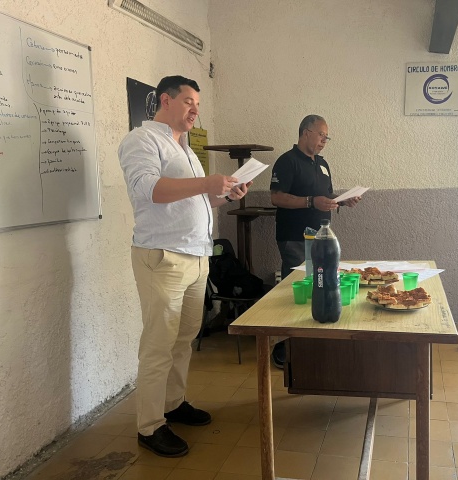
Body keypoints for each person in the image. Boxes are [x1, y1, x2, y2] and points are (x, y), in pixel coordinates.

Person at [118, 75, 252, 458]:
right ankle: (149, 425)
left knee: (184, 338)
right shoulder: (142, 140)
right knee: (159, 343)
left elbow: (197, 201)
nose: (195, 110)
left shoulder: (186, 148)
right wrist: (208, 183)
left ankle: (173, 404)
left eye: (198, 104)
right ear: (166, 100)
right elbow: (148, 189)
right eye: (189, 101)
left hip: (196, 256)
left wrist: (225, 195)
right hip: (162, 257)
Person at [269, 114, 360, 367]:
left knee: (322, 288)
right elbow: (276, 197)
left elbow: (324, 196)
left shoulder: (322, 164)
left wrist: (342, 200)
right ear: (305, 132)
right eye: (321, 135)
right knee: (298, 292)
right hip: (295, 238)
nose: (324, 141)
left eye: (327, 137)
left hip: (322, 240)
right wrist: (310, 201)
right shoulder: (287, 161)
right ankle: (283, 347)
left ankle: (312, 346)